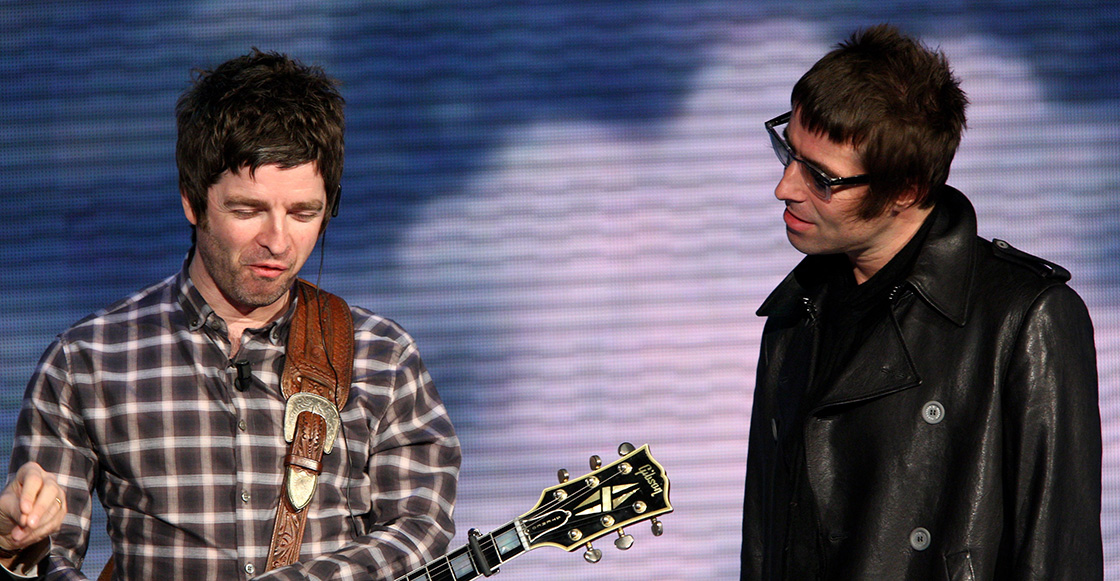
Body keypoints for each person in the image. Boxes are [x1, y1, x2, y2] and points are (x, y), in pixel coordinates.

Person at [0, 49, 460, 580]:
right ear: (193, 201)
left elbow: (418, 529)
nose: (278, 241)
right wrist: (12, 549)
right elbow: (48, 560)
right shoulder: (87, 360)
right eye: (247, 210)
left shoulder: (383, 356)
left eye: (303, 213)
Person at [740, 25, 1102, 580]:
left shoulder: (1025, 318)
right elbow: (768, 550)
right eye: (787, 151)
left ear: (906, 189)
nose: (785, 187)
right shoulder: (795, 314)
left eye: (821, 177)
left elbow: (1060, 559)